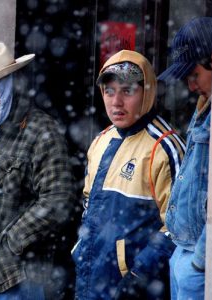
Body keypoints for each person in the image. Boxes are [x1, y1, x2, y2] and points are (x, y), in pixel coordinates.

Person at [0, 42, 75, 299]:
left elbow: (58, 199)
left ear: (9, 88)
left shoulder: (41, 130)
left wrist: (10, 243)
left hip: (20, 278)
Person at [72, 50, 186, 299]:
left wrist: (138, 276)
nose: (116, 102)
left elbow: (179, 228)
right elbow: (89, 206)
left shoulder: (165, 147)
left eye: (127, 91)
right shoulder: (101, 141)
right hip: (92, 279)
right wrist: (81, 252)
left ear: (147, 91)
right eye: (109, 91)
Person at [158, 17, 212, 300]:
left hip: (198, 257)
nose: (191, 87)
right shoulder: (206, 106)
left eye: (194, 75)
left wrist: (200, 261)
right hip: (185, 251)